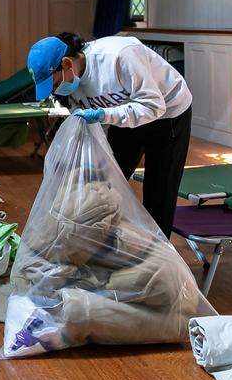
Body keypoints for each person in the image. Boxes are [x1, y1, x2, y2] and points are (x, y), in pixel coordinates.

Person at [27, 32, 193, 237]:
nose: (56, 91)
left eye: (54, 84)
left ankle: (158, 250)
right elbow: (93, 125)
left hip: (168, 112)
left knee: (160, 189)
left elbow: (153, 106)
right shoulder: (73, 87)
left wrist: (104, 114)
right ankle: (105, 241)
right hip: (122, 113)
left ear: (67, 63)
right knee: (107, 181)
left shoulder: (119, 56)